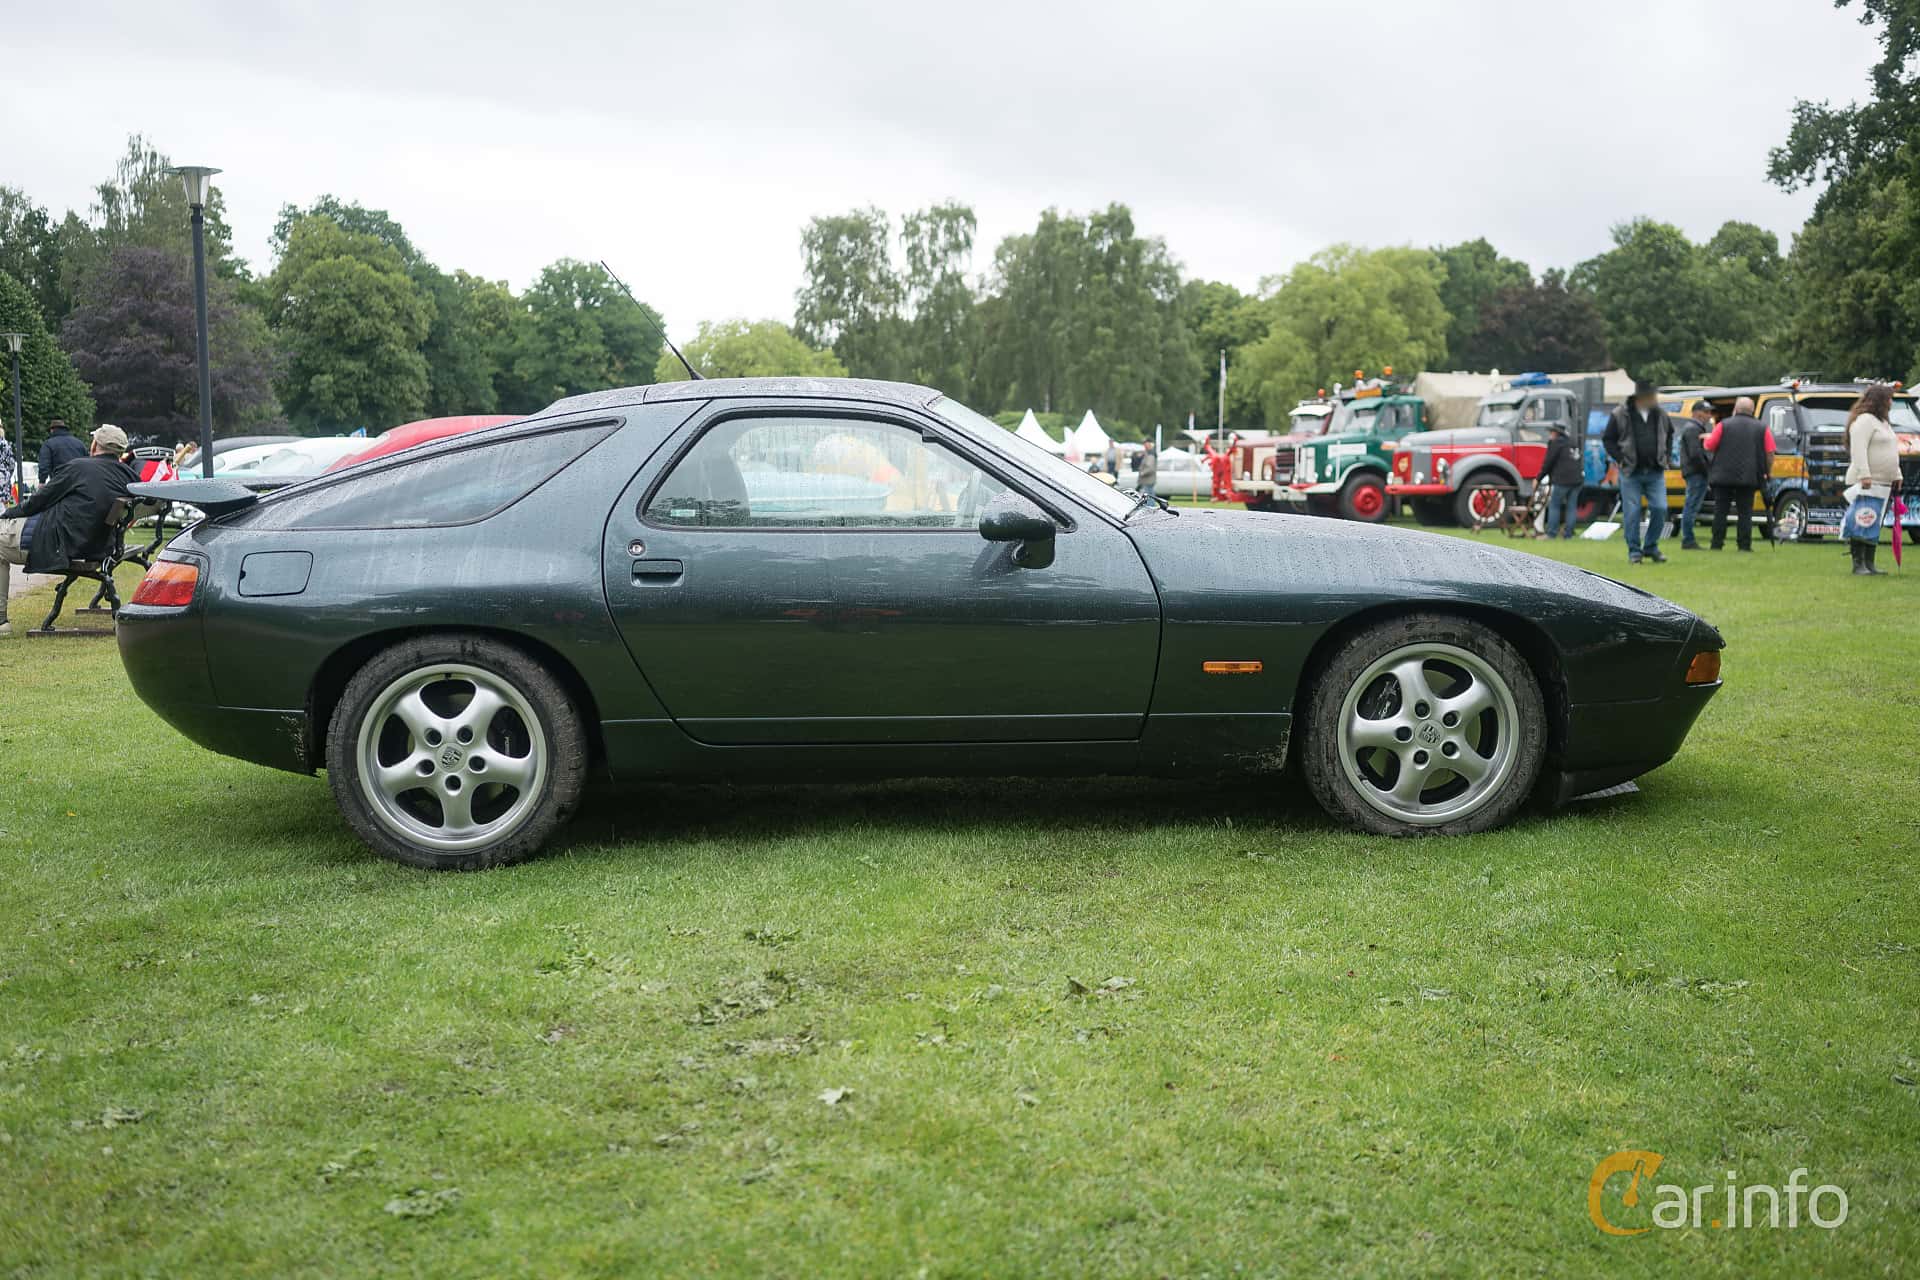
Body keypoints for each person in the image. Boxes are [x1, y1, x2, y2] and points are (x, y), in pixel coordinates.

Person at [0, 425, 137, 635]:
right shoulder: (128, 475)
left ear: (95, 445)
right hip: (96, 544)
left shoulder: (79, 468)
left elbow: (39, 501)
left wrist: (8, 513)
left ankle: (1, 622)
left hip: (60, 542)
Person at [1602, 379, 1673, 564]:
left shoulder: (1661, 414)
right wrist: (1620, 458)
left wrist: (1666, 456)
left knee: (1660, 508)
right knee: (1632, 512)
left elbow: (1670, 433)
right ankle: (1634, 551)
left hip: (1655, 470)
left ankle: (1650, 546)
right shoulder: (1620, 414)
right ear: (1640, 397)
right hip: (1630, 471)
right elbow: (1608, 439)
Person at [1703, 396, 1774, 552]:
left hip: (1722, 476)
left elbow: (1709, 446)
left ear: (1735, 409)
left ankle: (1716, 544)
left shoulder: (1723, 425)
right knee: (1745, 512)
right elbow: (1770, 452)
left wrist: (1706, 439)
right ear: (1753, 410)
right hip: (1748, 476)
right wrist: (1767, 472)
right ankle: (1744, 545)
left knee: (1720, 511)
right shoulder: (1762, 428)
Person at [1843, 384, 1901, 575]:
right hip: (1866, 482)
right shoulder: (1864, 421)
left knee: (1873, 523)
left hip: (1883, 484)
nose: (1891, 402)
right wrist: (1864, 474)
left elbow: (1891, 450)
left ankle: (1869, 563)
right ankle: (1858, 563)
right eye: (1889, 398)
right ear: (1879, 400)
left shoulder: (1883, 422)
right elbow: (1858, 449)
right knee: (1862, 520)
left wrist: (1897, 474)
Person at [1677, 402, 1713, 549]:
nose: (1709, 416)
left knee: (1691, 505)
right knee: (1691, 505)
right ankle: (1688, 539)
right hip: (1696, 472)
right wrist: (1707, 471)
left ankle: (1688, 538)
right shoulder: (1693, 429)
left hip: (1693, 471)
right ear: (1698, 413)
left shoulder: (1693, 428)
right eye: (1707, 412)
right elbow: (1695, 454)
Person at [1538, 424, 1583, 539]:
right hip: (1577, 479)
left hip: (1562, 479)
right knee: (1572, 507)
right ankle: (1569, 534)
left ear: (1555, 433)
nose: (1550, 435)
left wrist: (1538, 478)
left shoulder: (1556, 443)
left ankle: (1551, 533)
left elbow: (1548, 462)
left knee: (1555, 506)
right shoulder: (1572, 442)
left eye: (1551, 432)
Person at [36, 420, 85, 484]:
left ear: (52, 430)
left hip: (59, 482)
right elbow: (87, 461)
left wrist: (42, 481)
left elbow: (44, 465)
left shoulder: (48, 444)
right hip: (78, 482)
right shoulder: (79, 443)